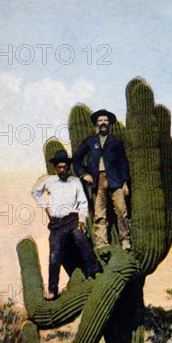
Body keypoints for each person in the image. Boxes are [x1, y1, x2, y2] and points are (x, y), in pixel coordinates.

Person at [32, 150, 102, 300]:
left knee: (82, 240)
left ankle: (95, 271)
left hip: (72, 219)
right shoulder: (49, 181)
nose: (62, 170)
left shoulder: (75, 182)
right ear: (55, 168)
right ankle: (52, 290)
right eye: (59, 167)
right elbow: (35, 192)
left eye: (65, 167)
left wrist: (82, 219)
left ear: (68, 167)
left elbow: (83, 202)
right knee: (55, 255)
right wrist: (46, 207)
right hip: (57, 223)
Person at [72, 109, 132, 253]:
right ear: (96, 124)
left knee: (122, 211)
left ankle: (125, 240)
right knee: (99, 213)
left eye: (105, 120)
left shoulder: (116, 142)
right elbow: (76, 159)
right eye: (100, 121)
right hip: (97, 180)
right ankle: (101, 243)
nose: (103, 123)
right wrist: (83, 174)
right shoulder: (91, 142)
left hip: (115, 180)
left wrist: (125, 182)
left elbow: (123, 162)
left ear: (109, 123)